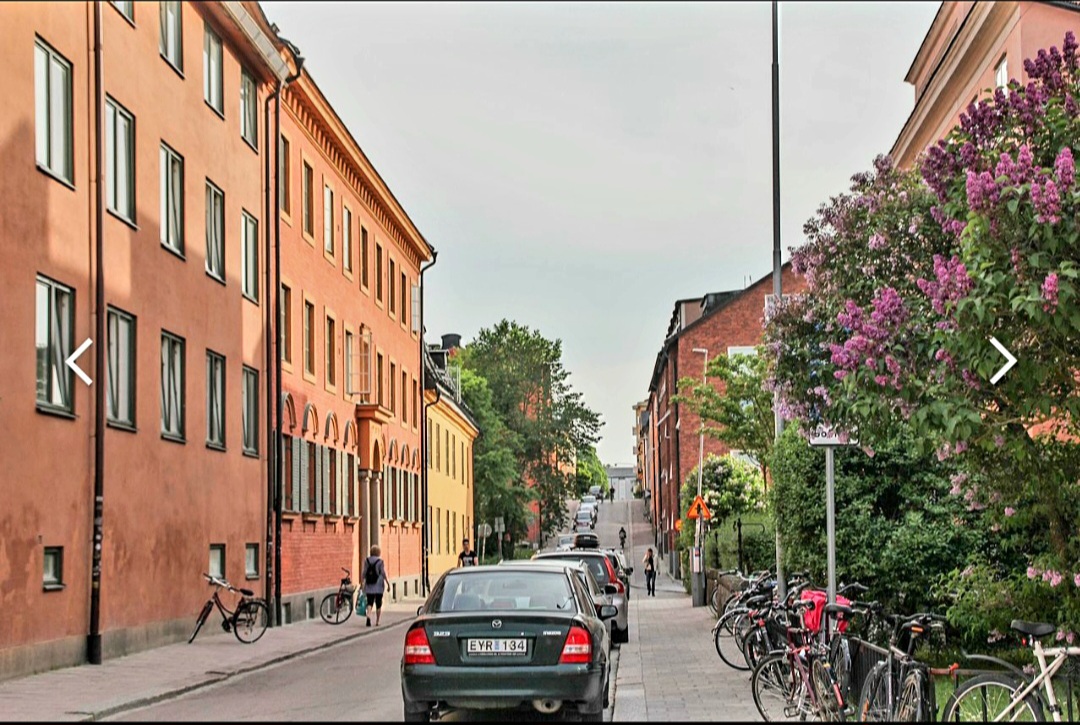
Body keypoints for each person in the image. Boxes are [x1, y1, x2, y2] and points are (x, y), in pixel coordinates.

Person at [361, 544, 386, 627]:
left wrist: (362, 581)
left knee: (370, 602)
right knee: (379, 603)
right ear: (379, 552)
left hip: (369, 584)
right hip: (378, 585)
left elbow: (364, 572)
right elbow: (382, 573)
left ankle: (368, 615)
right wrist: (387, 582)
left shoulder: (366, 561)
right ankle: (377, 621)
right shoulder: (380, 562)